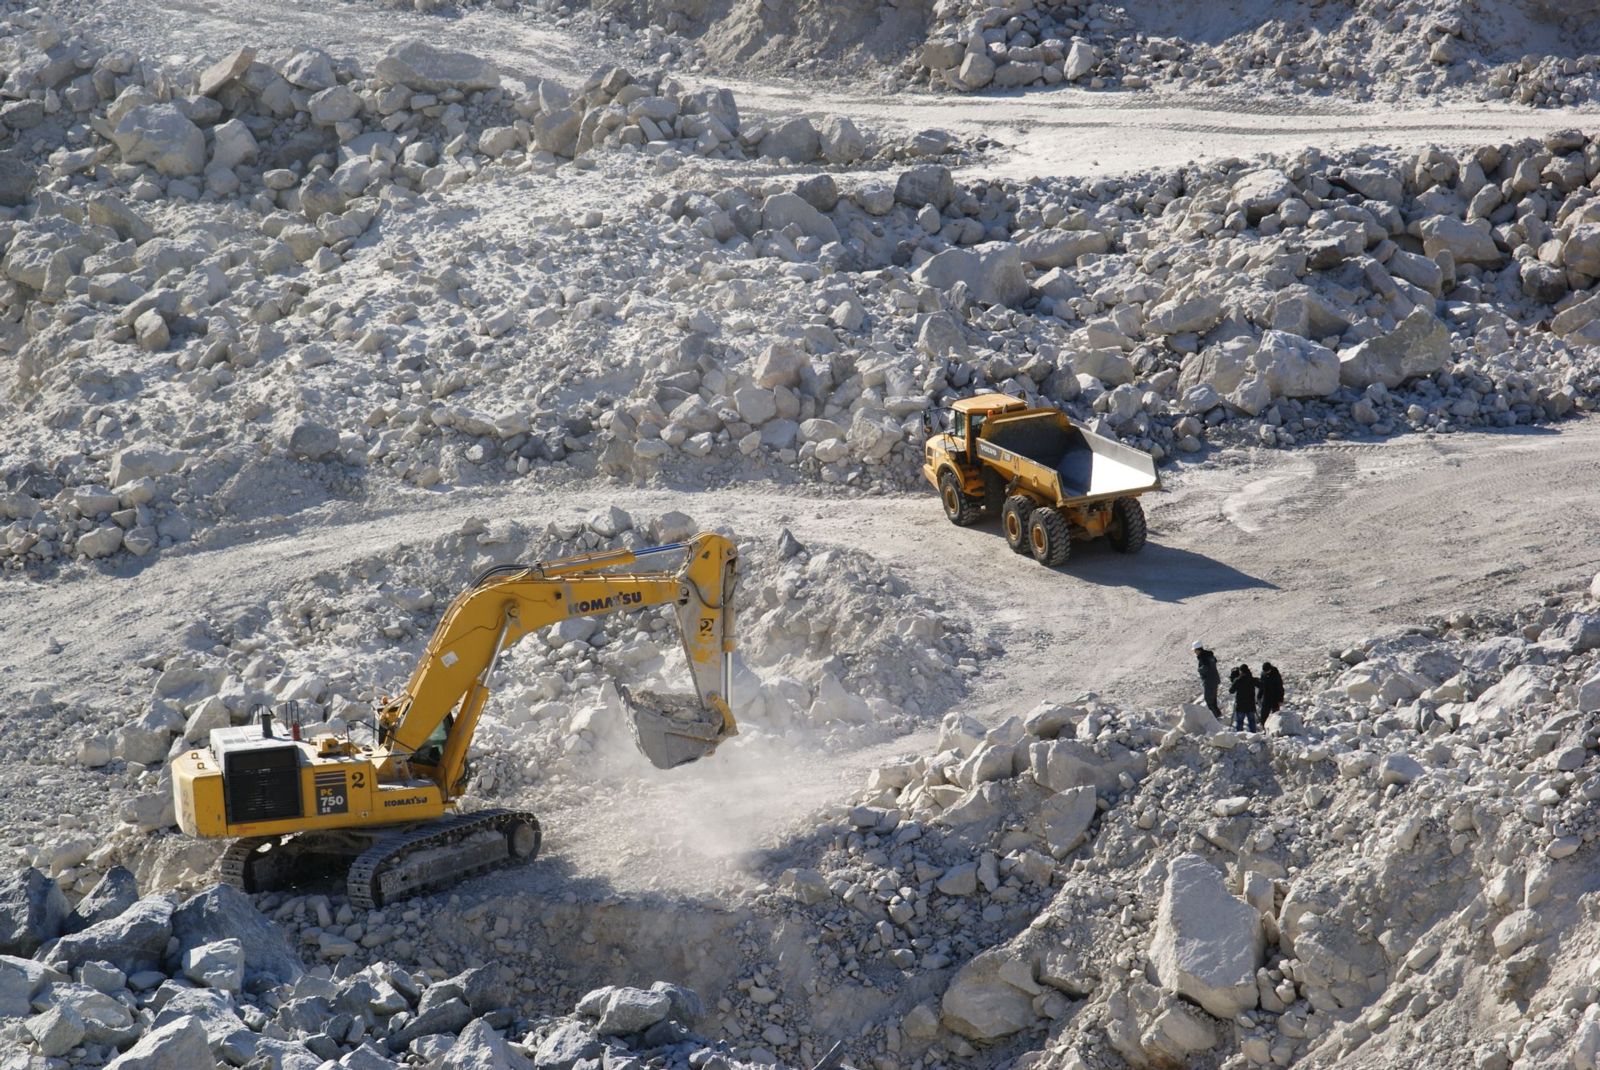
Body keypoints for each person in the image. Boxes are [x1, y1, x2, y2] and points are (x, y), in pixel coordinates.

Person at [1193, 641, 1221, 718]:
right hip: (1214, 680)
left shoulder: (1203, 657)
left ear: (1198, 650)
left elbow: (1205, 668)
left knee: (1209, 700)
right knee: (1213, 700)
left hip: (1208, 681)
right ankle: (1218, 715)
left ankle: (1215, 718)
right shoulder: (1210, 655)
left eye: (1195, 650)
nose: (1195, 652)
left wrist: (1199, 670)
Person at [1229, 663, 1258, 733]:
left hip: (1240, 704)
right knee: (1252, 721)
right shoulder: (1252, 679)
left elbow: (1231, 691)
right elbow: (1261, 685)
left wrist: (1234, 681)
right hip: (1250, 704)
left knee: (1239, 721)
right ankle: (1254, 735)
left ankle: (1239, 736)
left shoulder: (1238, 680)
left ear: (1241, 671)